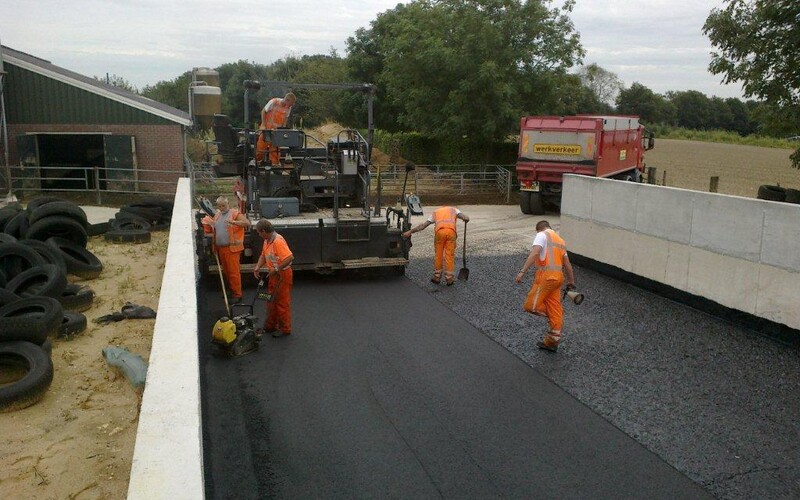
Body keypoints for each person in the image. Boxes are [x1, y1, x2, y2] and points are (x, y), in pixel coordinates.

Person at [515, 220, 576, 353]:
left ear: (539, 229)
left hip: (546, 278)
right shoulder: (560, 240)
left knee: (531, 306)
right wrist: (571, 281)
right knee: (554, 307)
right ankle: (552, 341)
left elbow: (535, 253)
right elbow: (567, 265)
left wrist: (522, 271)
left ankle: (555, 314)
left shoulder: (542, 235)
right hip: (558, 278)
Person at [403, 206, 469, 285]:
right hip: (451, 233)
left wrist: (410, 232)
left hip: (439, 233)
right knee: (449, 255)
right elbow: (464, 217)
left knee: (438, 255)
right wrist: (466, 218)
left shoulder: (436, 212)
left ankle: (437, 277)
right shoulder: (454, 210)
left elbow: (423, 226)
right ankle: (449, 279)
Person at [202, 196, 250, 304]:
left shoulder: (234, 213)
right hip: (221, 248)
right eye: (219, 206)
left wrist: (233, 222)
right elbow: (215, 230)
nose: (222, 207)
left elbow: (246, 223)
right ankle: (231, 291)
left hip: (232, 248)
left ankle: (237, 294)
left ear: (228, 204)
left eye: (223, 205)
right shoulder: (218, 215)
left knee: (233, 272)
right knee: (227, 272)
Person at [253, 219, 294, 338]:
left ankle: (285, 328)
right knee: (271, 300)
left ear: (264, 231)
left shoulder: (278, 241)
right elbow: (263, 255)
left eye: (259, 233)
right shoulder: (267, 241)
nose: (259, 235)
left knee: (282, 302)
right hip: (274, 275)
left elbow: (290, 257)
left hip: (282, 275)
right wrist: (257, 267)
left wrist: (276, 269)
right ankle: (271, 325)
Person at [256, 92, 297, 166]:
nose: (290, 106)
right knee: (261, 147)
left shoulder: (288, 107)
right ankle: (257, 162)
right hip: (267, 129)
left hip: (277, 131)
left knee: (275, 148)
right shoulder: (274, 102)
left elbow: (285, 118)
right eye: (290, 104)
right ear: (287, 100)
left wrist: (283, 129)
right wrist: (263, 125)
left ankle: (275, 165)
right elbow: (263, 111)